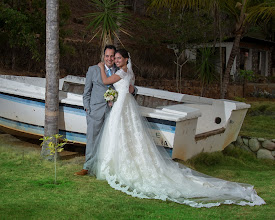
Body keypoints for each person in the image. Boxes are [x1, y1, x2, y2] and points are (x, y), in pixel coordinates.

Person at [87, 48, 265, 208]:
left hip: (121, 108)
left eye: (118, 58)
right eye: (114, 58)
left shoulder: (121, 72)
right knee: (125, 135)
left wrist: (101, 67)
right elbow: (130, 88)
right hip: (124, 106)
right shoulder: (127, 72)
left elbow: (105, 80)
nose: (116, 60)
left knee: (120, 134)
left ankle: (113, 165)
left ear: (126, 59)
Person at [75, 45, 135, 176]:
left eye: (112, 56)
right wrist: (87, 108)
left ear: (115, 57)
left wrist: (133, 90)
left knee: (108, 141)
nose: (109, 58)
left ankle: (104, 167)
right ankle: (87, 167)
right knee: (92, 140)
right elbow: (86, 92)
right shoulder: (93, 69)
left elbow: (128, 86)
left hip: (113, 112)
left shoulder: (119, 70)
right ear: (103, 56)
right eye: (106, 56)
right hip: (95, 111)